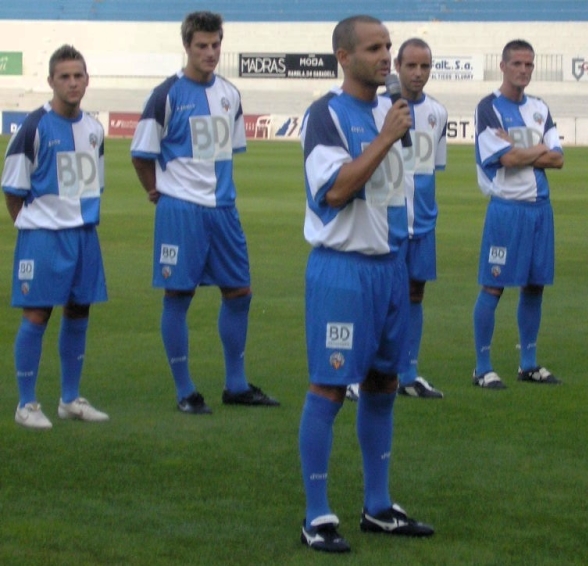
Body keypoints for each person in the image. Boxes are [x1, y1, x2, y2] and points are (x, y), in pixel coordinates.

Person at [298, 14, 434, 553]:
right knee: (330, 387)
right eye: (375, 48)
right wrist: (384, 138)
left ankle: (378, 507)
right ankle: (316, 516)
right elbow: (335, 190)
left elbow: (391, 194)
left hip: (388, 269)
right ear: (343, 56)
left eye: (389, 48)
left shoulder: (391, 111)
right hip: (343, 271)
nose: (386, 57)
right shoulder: (326, 115)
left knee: (383, 384)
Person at [130, 11, 278, 414]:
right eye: (202, 46)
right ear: (187, 46)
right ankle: (185, 391)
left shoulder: (230, 94)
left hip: (223, 210)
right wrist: (156, 192)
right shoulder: (165, 96)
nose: (210, 52)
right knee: (178, 295)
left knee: (240, 292)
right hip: (181, 211)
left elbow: (227, 153)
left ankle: (236, 385)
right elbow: (142, 155)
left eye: (215, 45)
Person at [1, 45, 109, 429]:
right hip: (44, 237)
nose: (72, 82)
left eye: (78, 75)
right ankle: (26, 404)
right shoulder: (32, 127)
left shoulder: (94, 129)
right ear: (51, 81)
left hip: (83, 234)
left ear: (87, 79)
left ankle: (69, 399)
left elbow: (96, 182)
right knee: (37, 313)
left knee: (79, 310)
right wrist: (34, 230)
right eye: (64, 76)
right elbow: (13, 191)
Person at [472, 39, 564, 390]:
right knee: (494, 285)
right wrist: (537, 149)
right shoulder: (489, 107)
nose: (523, 70)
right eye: (517, 64)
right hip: (507, 209)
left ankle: (528, 363)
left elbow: (558, 158)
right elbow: (504, 160)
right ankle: (482, 367)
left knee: (534, 286)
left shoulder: (540, 107)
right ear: (503, 66)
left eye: (529, 65)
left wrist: (523, 149)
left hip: (540, 208)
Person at [393, 38, 448, 399]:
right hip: (387, 221)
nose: (418, 73)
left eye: (425, 66)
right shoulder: (379, 110)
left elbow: (432, 169)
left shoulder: (437, 113)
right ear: (397, 66)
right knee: (378, 298)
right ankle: (356, 375)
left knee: (415, 293)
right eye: (411, 66)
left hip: (423, 222)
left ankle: (408, 374)